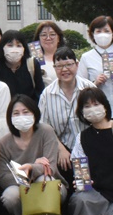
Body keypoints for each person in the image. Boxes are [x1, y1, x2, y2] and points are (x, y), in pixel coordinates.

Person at [0, 95, 66, 215]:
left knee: (42, 180)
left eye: (26, 112)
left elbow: (50, 167)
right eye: (16, 113)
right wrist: (29, 175)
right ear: (10, 117)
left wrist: (31, 168)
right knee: (10, 196)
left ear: (35, 113)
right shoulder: (3, 143)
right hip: (20, 187)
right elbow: (3, 177)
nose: (21, 116)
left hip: (49, 184)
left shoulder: (46, 131)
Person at [38, 47, 95, 184]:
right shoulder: (47, 94)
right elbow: (45, 128)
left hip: (90, 146)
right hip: (63, 150)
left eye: (69, 64)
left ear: (77, 64)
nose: (64, 70)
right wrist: (61, 149)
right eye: (59, 66)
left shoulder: (89, 88)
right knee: (67, 183)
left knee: (89, 186)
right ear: (54, 68)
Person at [0, 30, 44, 101]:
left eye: (18, 45)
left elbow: (40, 92)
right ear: (2, 47)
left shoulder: (32, 64)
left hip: (29, 110)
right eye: (10, 45)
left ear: (24, 48)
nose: (14, 49)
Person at [33, 21, 65, 87]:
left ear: (59, 38)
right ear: (38, 39)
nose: (48, 38)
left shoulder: (68, 57)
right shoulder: (33, 60)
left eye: (52, 34)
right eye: (44, 35)